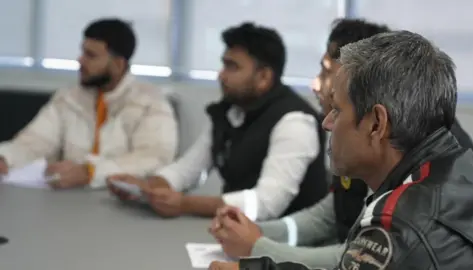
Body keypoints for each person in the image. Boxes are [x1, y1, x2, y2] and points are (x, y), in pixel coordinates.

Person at [209, 31, 473, 270]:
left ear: (376, 124)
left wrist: (258, 248)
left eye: (337, 110)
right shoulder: (446, 165)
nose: (326, 123)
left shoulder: (401, 225)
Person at [208, 19, 389, 270]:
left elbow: (361, 259)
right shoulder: (359, 140)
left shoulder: (401, 160)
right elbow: (329, 216)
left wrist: (259, 248)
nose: (315, 84)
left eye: (327, 72)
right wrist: (254, 232)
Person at [108, 22, 329, 221]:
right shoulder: (230, 111)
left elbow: (266, 203)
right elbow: (188, 170)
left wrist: (183, 204)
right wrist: (147, 188)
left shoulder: (295, 122)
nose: (221, 75)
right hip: (235, 232)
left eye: (232, 67)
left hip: (287, 249)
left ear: (263, 77)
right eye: (223, 65)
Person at [0, 18, 178, 189]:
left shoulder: (151, 102)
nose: (80, 60)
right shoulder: (68, 97)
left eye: (90, 55)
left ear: (118, 64)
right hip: (66, 203)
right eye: (82, 52)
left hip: (123, 205)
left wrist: (91, 172)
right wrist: (6, 158)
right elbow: (35, 141)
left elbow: (154, 158)